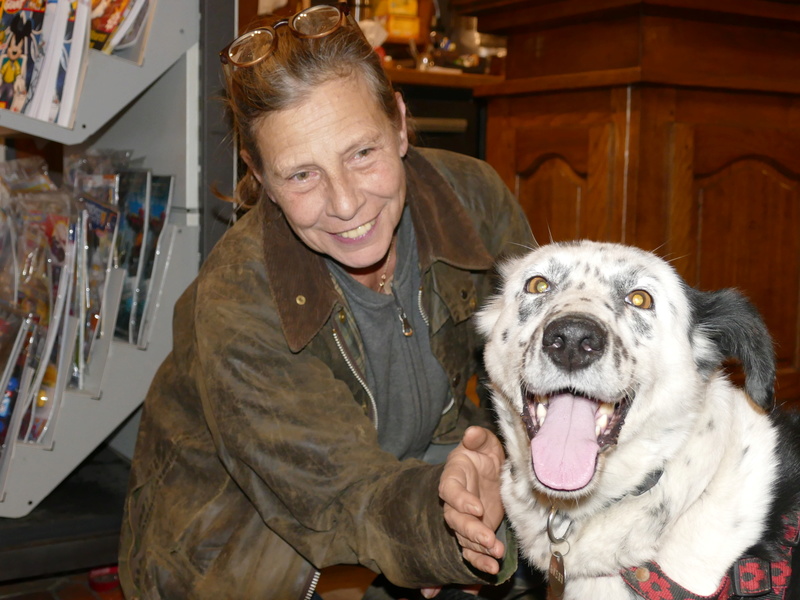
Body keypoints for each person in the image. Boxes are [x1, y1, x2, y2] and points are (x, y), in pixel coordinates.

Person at [118, 3, 537, 599]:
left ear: (397, 124)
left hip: (404, 486)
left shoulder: (471, 197)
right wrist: (455, 523)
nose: (345, 204)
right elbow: (342, 495)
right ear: (259, 175)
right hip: (245, 554)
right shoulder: (239, 298)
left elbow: (535, 368)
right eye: (301, 176)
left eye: (361, 153)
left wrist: (495, 461)